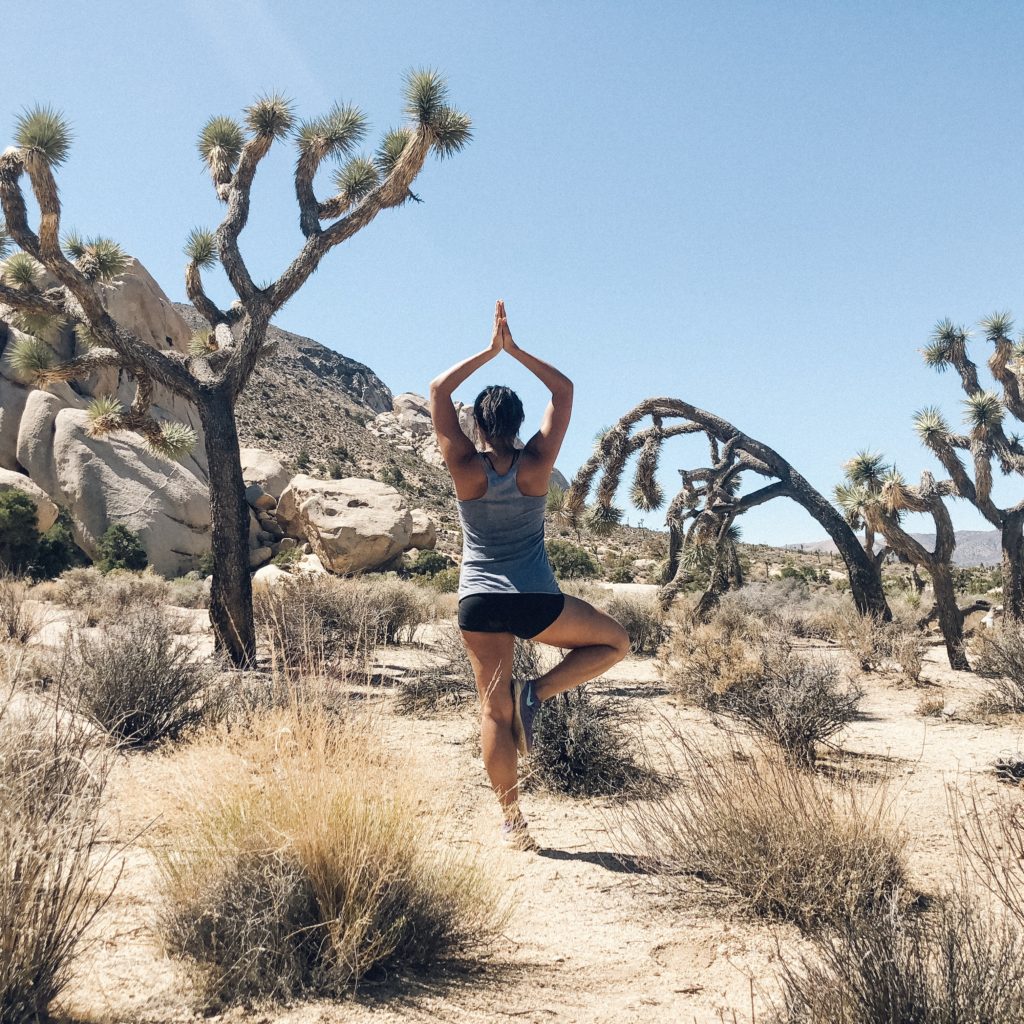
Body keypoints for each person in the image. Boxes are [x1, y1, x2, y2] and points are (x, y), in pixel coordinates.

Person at [429, 300, 630, 851]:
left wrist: (488, 352)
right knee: (615, 642)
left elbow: (439, 390)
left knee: (492, 709)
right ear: (519, 424)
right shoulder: (537, 463)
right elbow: (563, 392)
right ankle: (537, 692)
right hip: (536, 598)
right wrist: (515, 352)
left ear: (477, 425)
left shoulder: (464, 468)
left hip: (478, 602)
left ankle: (513, 824)